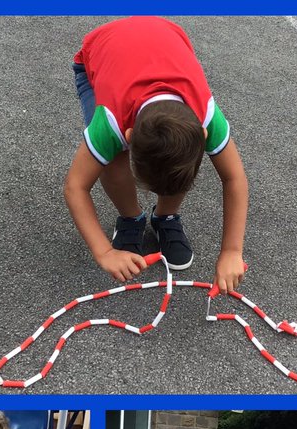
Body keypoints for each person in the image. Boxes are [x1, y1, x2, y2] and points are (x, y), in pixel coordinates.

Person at [64, 16, 249, 292]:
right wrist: (103, 252)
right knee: (109, 159)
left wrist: (232, 251)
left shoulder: (208, 115)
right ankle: (131, 218)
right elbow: (75, 186)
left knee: (177, 164)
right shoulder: (111, 121)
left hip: (164, 38)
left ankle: (166, 217)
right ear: (128, 136)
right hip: (98, 58)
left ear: (204, 134)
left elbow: (235, 178)